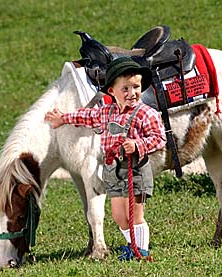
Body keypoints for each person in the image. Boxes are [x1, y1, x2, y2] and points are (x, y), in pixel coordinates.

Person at [44, 57, 166, 260]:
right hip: (113, 171)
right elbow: (85, 117)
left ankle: (140, 251)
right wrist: (63, 118)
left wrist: (138, 145)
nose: (131, 93)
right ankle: (132, 244)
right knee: (119, 216)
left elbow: (160, 138)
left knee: (135, 215)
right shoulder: (106, 113)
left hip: (134, 170)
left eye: (136, 87)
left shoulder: (146, 113)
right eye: (125, 89)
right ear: (112, 92)